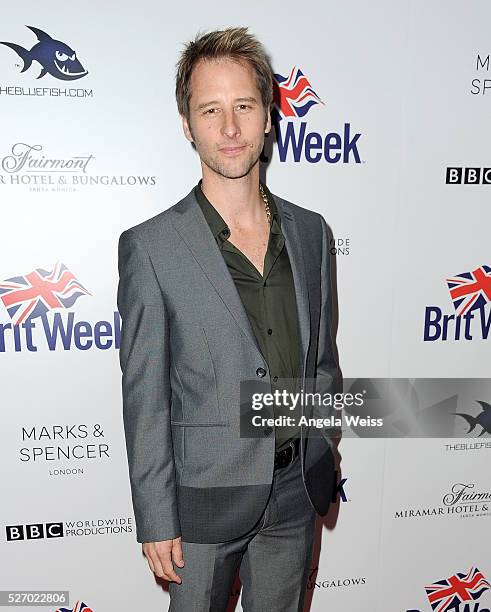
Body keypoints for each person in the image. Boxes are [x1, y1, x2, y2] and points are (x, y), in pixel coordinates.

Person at [117, 26, 341, 612]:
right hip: (201, 505)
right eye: (210, 110)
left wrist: (321, 447)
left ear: (269, 115)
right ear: (188, 126)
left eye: (244, 105)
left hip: (294, 495)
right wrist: (156, 515)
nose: (231, 127)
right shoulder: (151, 248)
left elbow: (323, 365)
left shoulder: (312, 233)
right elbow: (146, 398)